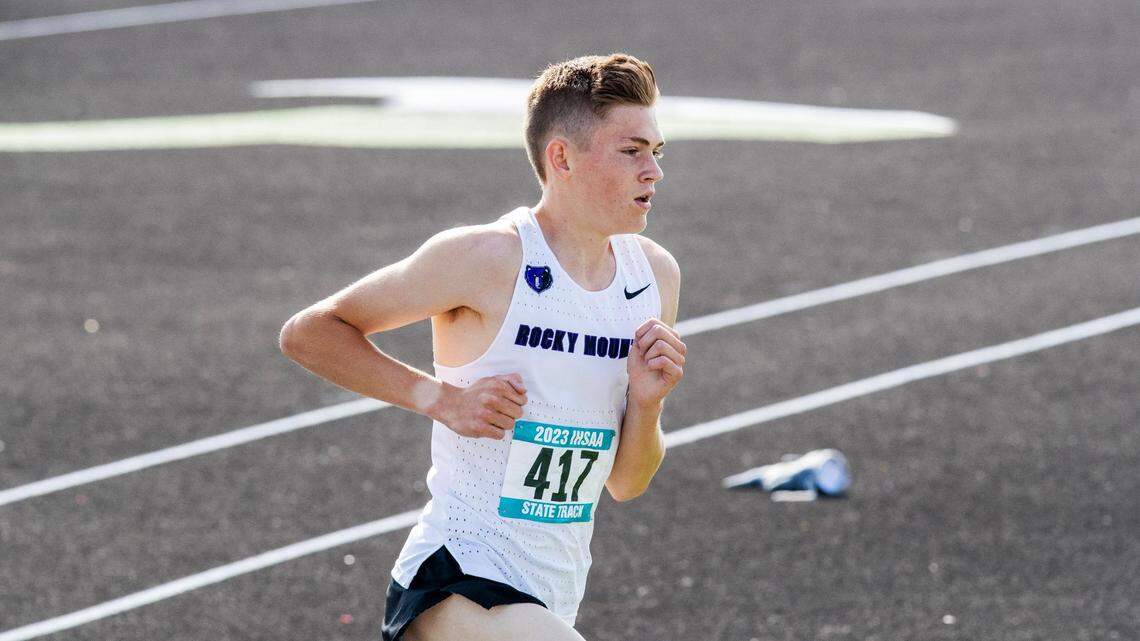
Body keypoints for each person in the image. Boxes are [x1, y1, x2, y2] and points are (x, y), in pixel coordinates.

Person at [279, 52, 686, 641]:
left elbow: (627, 482)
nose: (653, 171)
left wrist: (647, 404)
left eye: (657, 151)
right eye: (632, 151)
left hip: (553, 589)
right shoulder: (487, 258)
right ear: (562, 157)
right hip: (458, 574)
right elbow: (310, 332)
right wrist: (442, 399)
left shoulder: (653, 278)